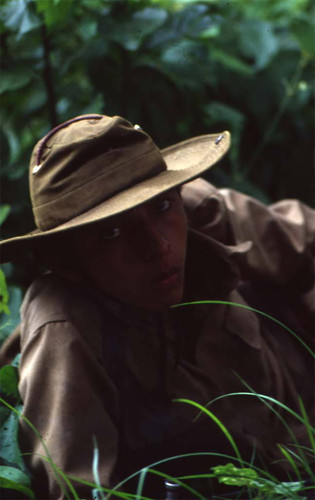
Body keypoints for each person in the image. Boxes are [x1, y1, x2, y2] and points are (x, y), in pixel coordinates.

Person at [0, 114, 314, 499]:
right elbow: (77, 488)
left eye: (162, 205)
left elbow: (304, 239)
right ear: (69, 261)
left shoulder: (204, 214)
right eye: (112, 231)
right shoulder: (65, 328)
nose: (157, 245)